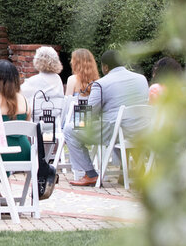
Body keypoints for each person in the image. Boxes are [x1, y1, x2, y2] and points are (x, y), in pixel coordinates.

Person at [64, 50, 151, 186]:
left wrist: (79, 116)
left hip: (115, 131)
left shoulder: (101, 83)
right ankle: (129, 171)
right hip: (140, 130)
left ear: (105, 67)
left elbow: (90, 113)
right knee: (120, 124)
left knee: (70, 130)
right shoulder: (142, 79)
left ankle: (90, 174)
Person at [0, 59, 31, 189]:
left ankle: (2, 198)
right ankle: (7, 197)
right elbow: (27, 124)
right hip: (24, 151)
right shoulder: (24, 100)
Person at [20, 46, 65, 124]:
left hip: (36, 123)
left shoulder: (33, 81)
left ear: (37, 60)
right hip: (55, 123)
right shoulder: (58, 79)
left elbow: (17, 95)